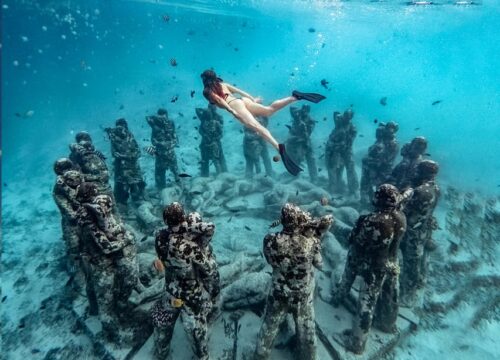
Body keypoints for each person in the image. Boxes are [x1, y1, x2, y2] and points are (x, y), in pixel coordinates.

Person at [201, 69, 326, 176]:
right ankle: (295, 97)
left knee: (258, 128)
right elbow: (240, 92)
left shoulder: (208, 91)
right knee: (269, 110)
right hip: (241, 100)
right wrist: (252, 99)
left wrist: (233, 112)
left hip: (234, 106)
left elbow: (220, 101)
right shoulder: (222, 84)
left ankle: (279, 148)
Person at [332, 184, 407, 354]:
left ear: (378, 200)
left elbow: (357, 241)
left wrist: (357, 228)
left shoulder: (374, 220)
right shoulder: (400, 216)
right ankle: (388, 323)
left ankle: (356, 343)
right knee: (391, 292)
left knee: (366, 302)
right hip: (392, 261)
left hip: (372, 266)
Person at [254, 203, 333, 360]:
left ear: (282, 220)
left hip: (279, 292)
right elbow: (320, 264)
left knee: (270, 325)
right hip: (303, 293)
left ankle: (260, 356)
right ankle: (308, 356)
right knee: (307, 328)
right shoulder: (311, 242)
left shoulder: (270, 240)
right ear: (300, 222)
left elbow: (271, 261)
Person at [151, 202, 219, 360]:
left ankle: (160, 353)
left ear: (165, 220)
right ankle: (202, 357)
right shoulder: (187, 247)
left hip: (171, 288)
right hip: (190, 294)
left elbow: (164, 257)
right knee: (196, 330)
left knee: (165, 319)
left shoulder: (160, 236)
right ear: (182, 218)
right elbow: (209, 269)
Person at [77, 194, 142, 341]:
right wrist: (127, 239)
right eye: (108, 208)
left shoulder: (94, 217)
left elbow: (112, 229)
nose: (109, 211)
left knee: (111, 288)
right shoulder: (90, 225)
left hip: (104, 262)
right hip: (101, 267)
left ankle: (116, 310)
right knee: (105, 301)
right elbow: (106, 247)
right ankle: (113, 333)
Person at [400, 160, 440, 306]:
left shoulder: (421, 191)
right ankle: (416, 284)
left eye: (418, 170)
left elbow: (406, 211)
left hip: (412, 233)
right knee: (415, 261)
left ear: (423, 172)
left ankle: (408, 296)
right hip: (421, 230)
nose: (415, 172)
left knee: (411, 263)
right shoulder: (435, 188)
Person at [105, 119, 146, 207]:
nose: (121, 129)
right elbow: (115, 153)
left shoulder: (129, 135)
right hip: (125, 167)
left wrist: (130, 156)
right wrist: (129, 156)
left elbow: (136, 149)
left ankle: (132, 201)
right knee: (125, 185)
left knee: (129, 185)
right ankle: (126, 203)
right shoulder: (115, 137)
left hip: (129, 166)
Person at [325, 109, 358, 195]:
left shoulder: (352, 128)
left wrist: (342, 146)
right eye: (345, 115)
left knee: (350, 168)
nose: (346, 117)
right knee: (332, 167)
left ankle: (353, 190)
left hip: (346, 150)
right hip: (334, 148)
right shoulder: (339, 121)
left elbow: (350, 142)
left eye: (348, 116)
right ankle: (333, 188)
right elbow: (335, 113)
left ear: (351, 117)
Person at [146, 109, 180, 188]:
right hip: (161, 154)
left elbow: (175, 139)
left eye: (163, 116)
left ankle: (180, 186)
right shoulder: (155, 126)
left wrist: (167, 145)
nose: (162, 119)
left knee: (175, 171)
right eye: (160, 116)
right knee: (160, 173)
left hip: (169, 153)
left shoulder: (171, 124)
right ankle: (161, 190)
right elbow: (153, 141)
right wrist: (160, 144)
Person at [285, 105, 318, 182]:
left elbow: (307, 133)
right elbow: (292, 108)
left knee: (311, 159)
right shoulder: (298, 118)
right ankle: (296, 177)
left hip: (305, 143)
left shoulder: (310, 121)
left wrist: (300, 123)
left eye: (306, 110)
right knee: (297, 160)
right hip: (297, 143)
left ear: (308, 111)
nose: (304, 112)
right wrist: (297, 114)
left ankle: (314, 179)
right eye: (303, 110)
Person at [196, 105, 228, 177]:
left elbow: (221, 129)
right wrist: (204, 110)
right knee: (205, 159)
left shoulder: (217, 117)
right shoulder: (204, 117)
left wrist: (216, 138)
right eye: (211, 108)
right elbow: (197, 110)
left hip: (215, 141)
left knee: (219, 157)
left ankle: (224, 173)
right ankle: (204, 175)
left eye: (213, 108)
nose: (213, 109)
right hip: (205, 141)